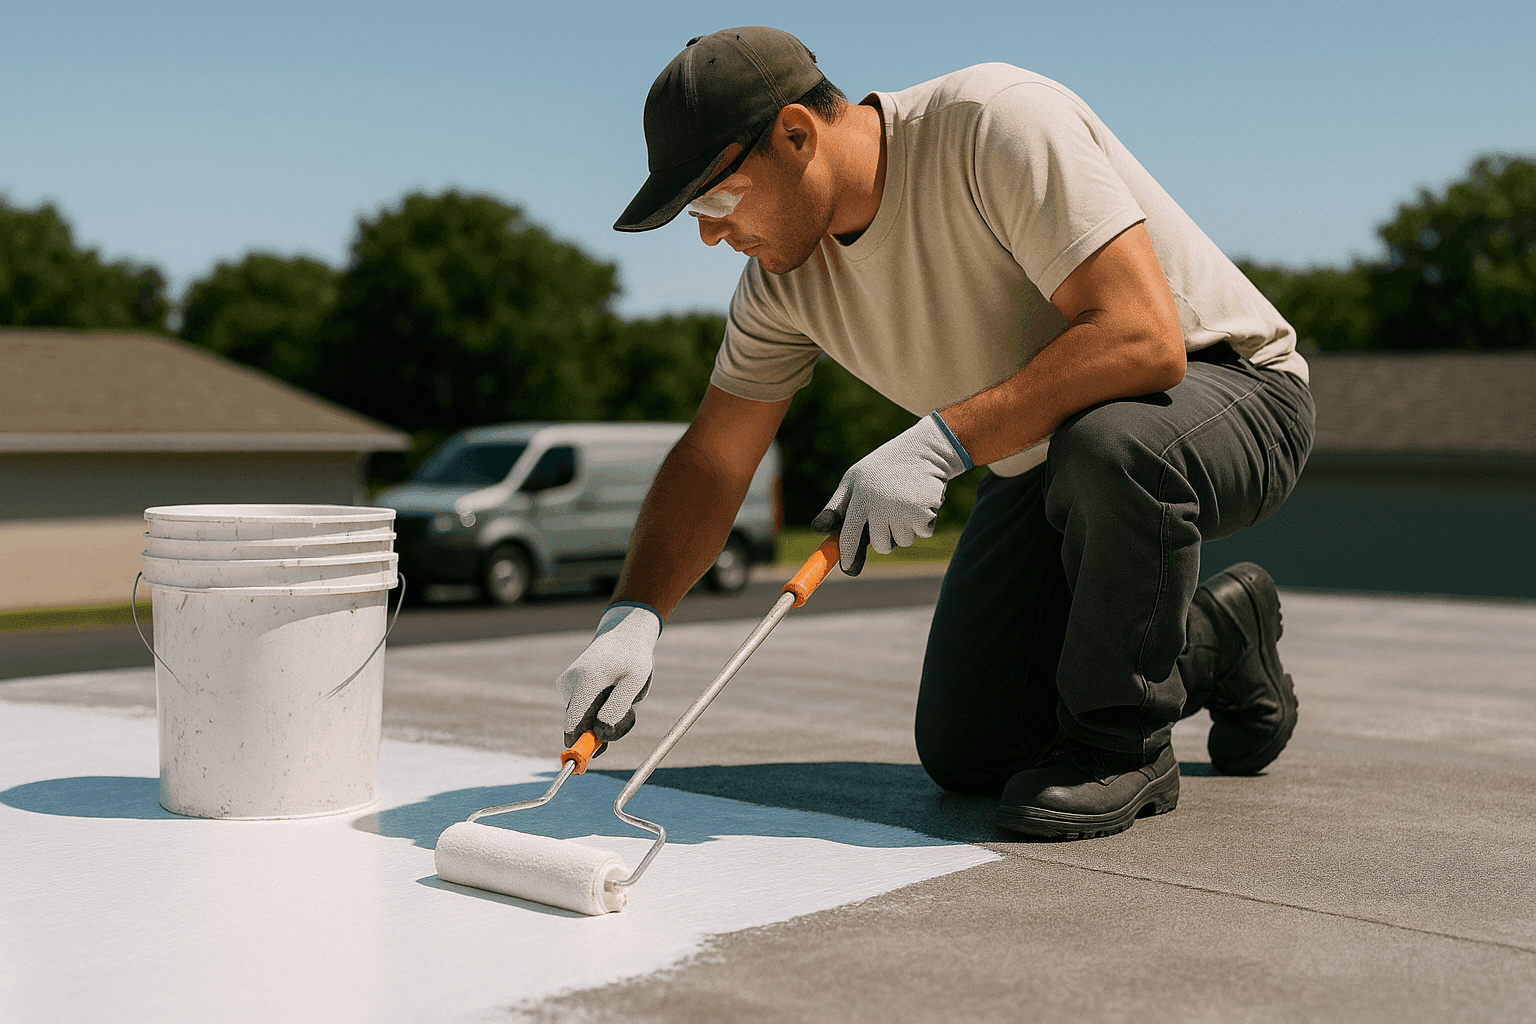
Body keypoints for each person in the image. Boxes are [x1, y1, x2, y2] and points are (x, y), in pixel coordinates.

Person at [556, 26, 1314, 839]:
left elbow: (1141, 338)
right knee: (972, 748)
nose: (709, 234)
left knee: (1111, 445)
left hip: (1230, 390)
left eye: (713, 200)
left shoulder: (994, 123)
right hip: (1044, 454)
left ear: (796, 134)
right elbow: (713, 456)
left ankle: (1119, 746)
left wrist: (939, 442)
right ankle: (1218, 637)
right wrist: (634, 615)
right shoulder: (781, 287)